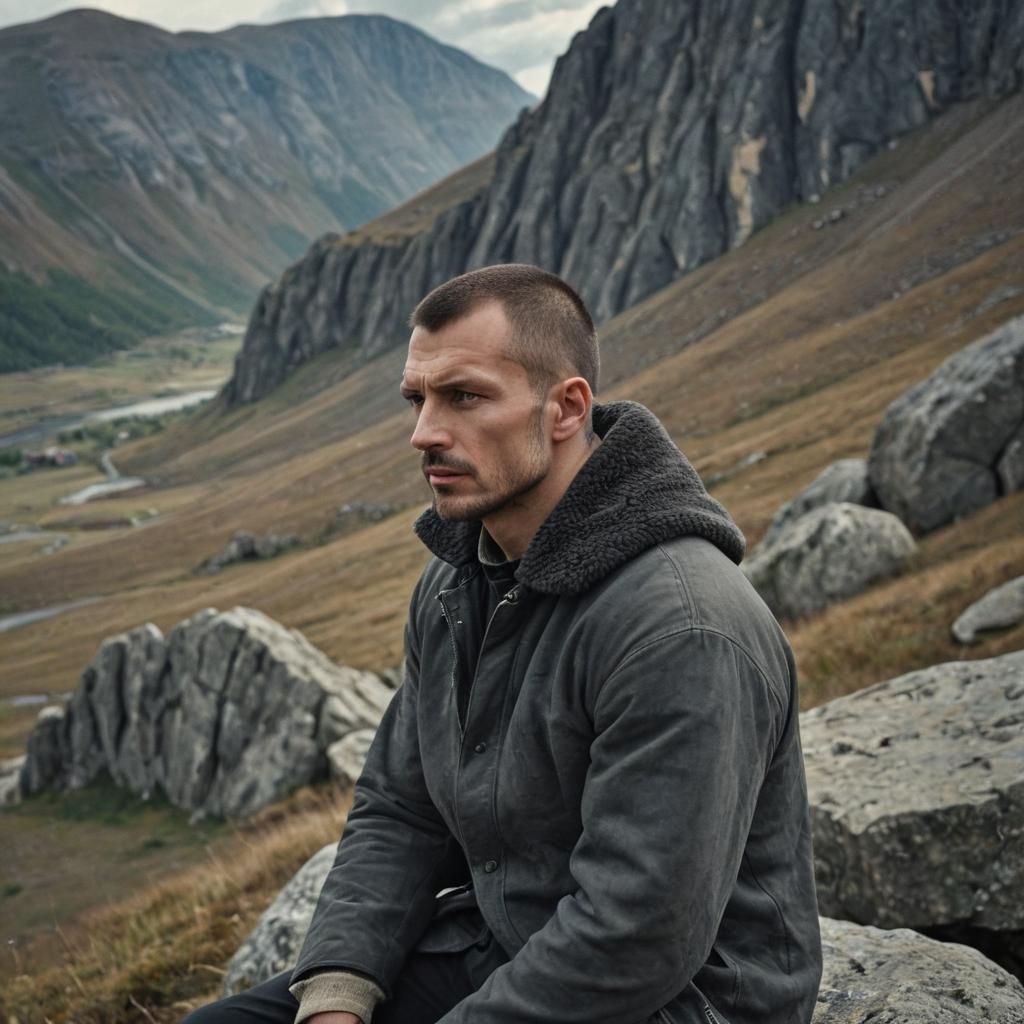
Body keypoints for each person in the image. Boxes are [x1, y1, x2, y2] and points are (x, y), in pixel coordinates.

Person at [186, 264, 822, 1024]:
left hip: (682, 1001)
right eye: (417, 398)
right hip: (504, 949)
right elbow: (402, 807)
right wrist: (337, 994)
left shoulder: (680, 627)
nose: (424, 433)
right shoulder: (457, 580)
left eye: (464, 396)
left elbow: (638, 935)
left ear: (565, 408)